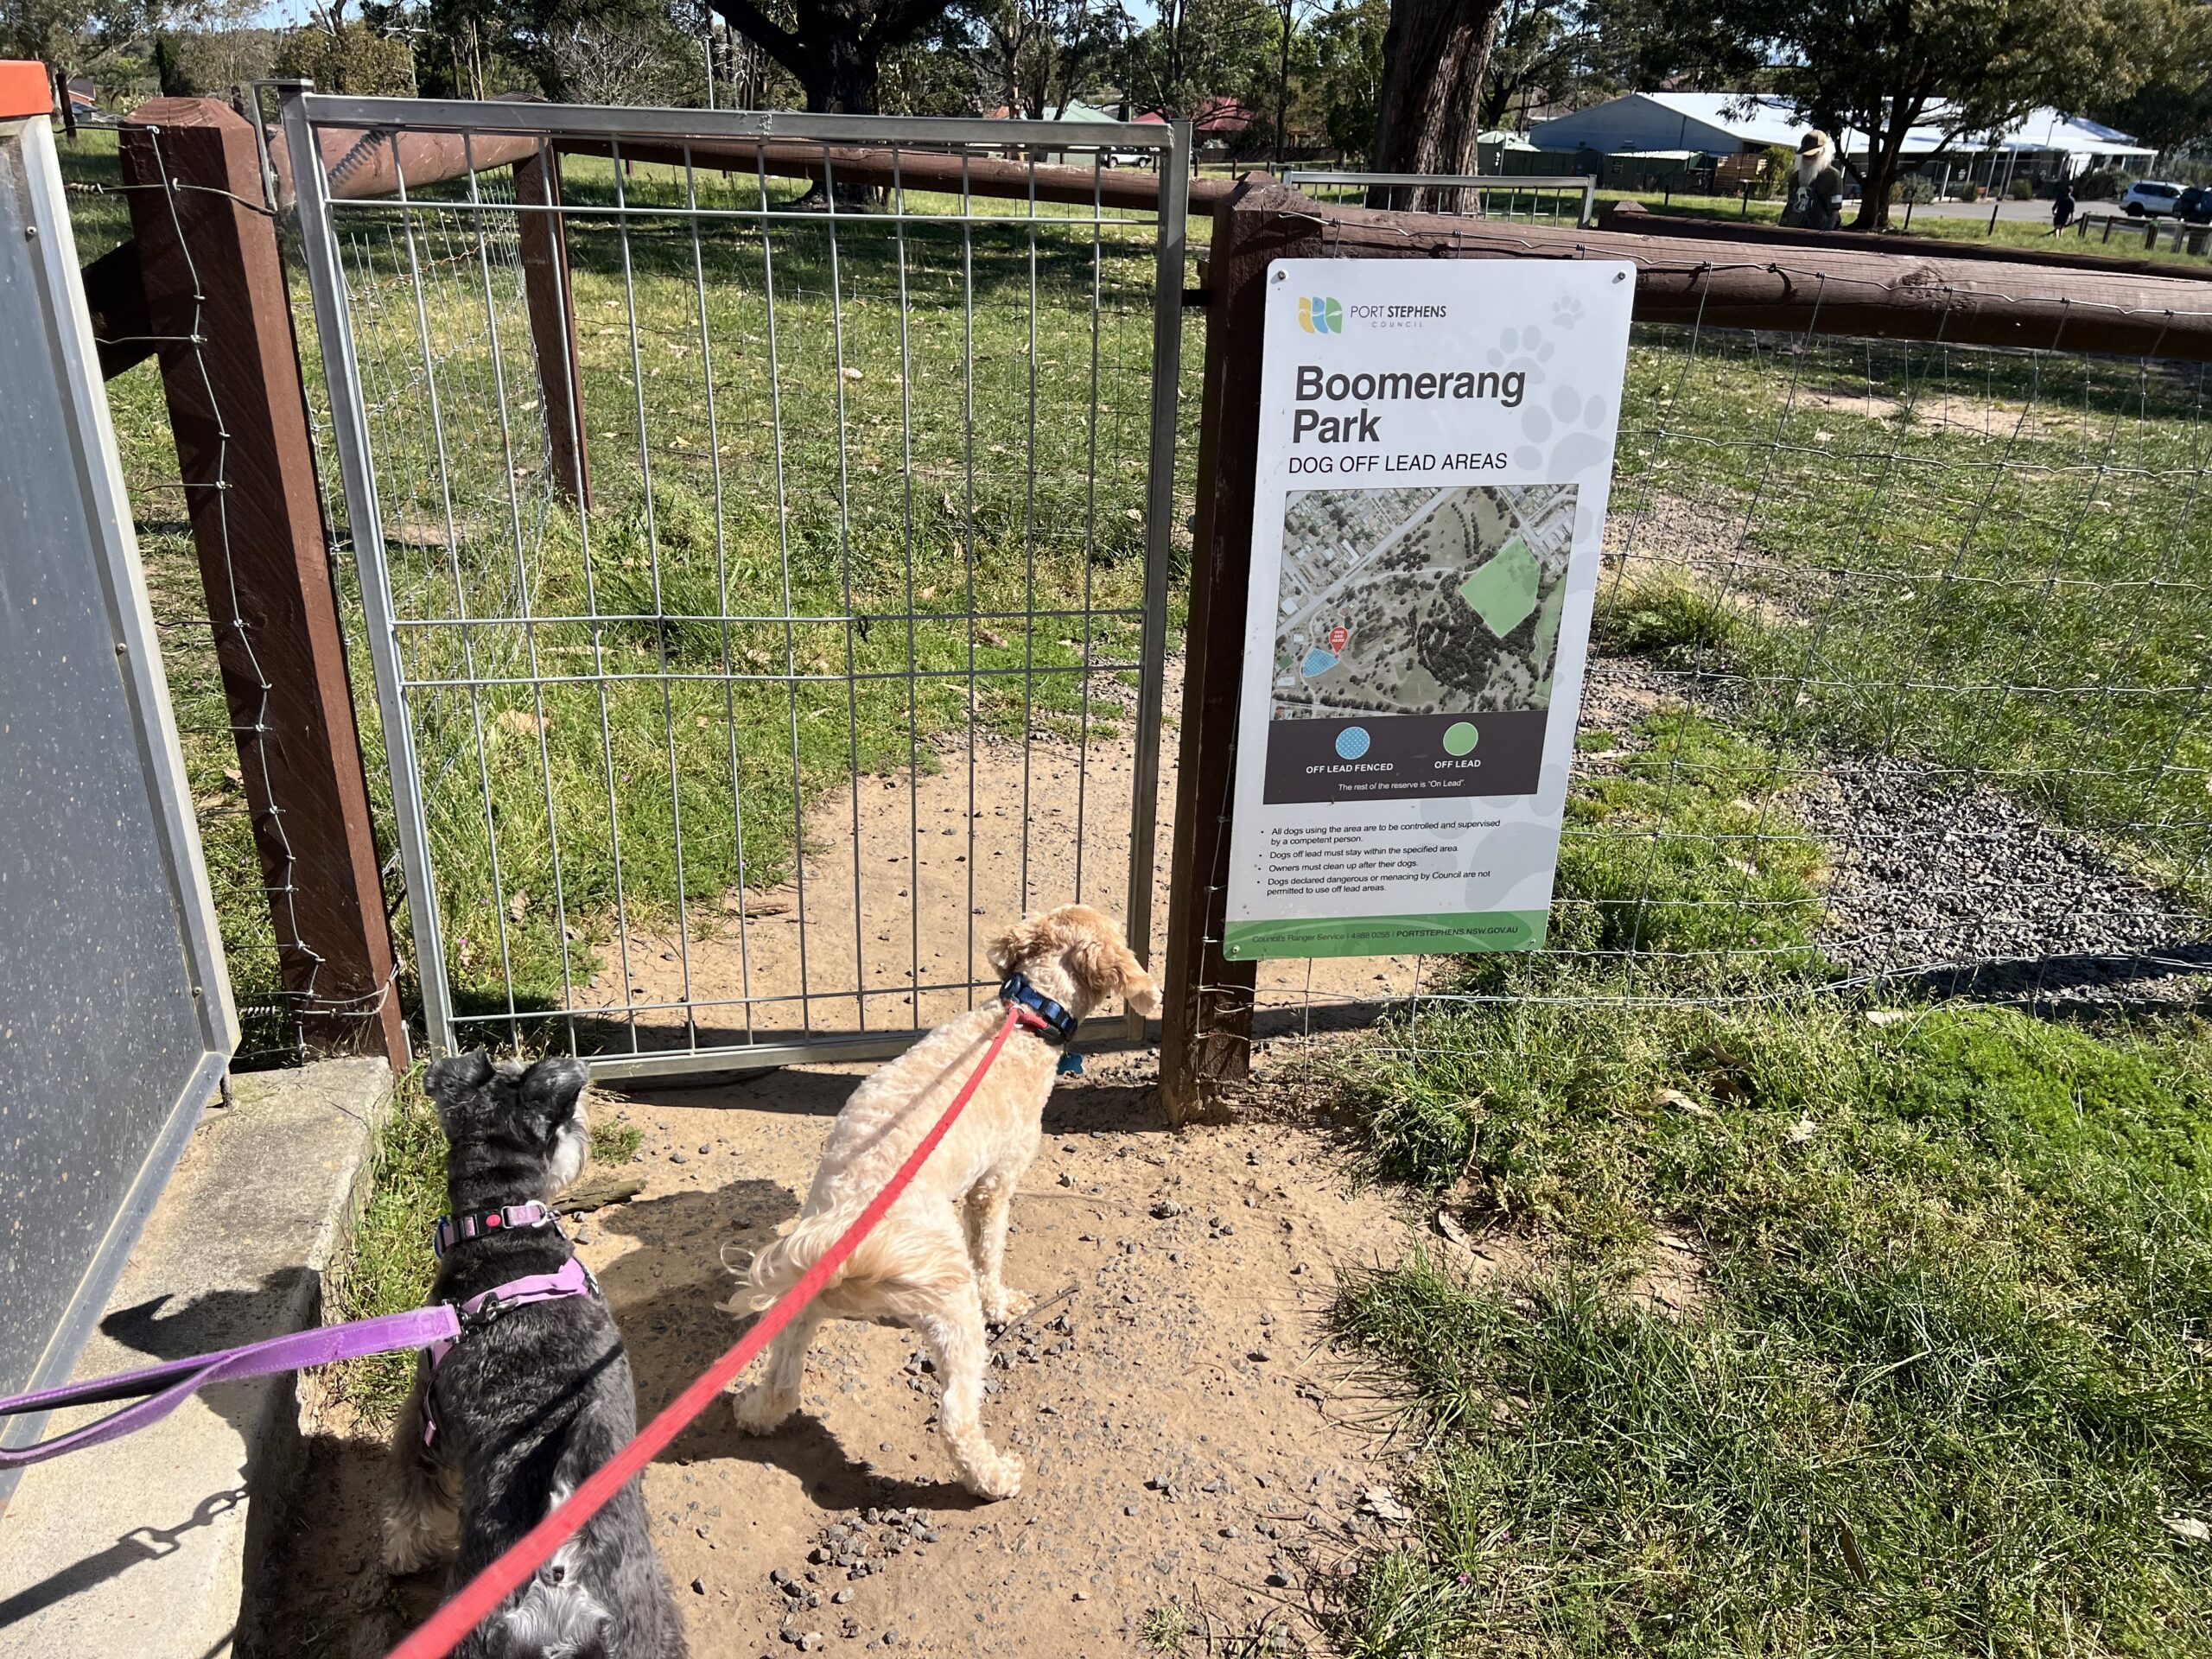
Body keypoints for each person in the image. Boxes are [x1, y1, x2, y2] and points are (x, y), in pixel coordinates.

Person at [1778, 130, 1846, 231]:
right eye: (1805, 155)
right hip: (1793, 231)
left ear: (1823, 152)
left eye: (1813, 154)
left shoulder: (1833, 177)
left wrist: (1825, 236)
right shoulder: (1795, 177)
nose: (1808, 158)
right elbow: (1790, 205)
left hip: (1817, 231)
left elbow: (1833, 213)